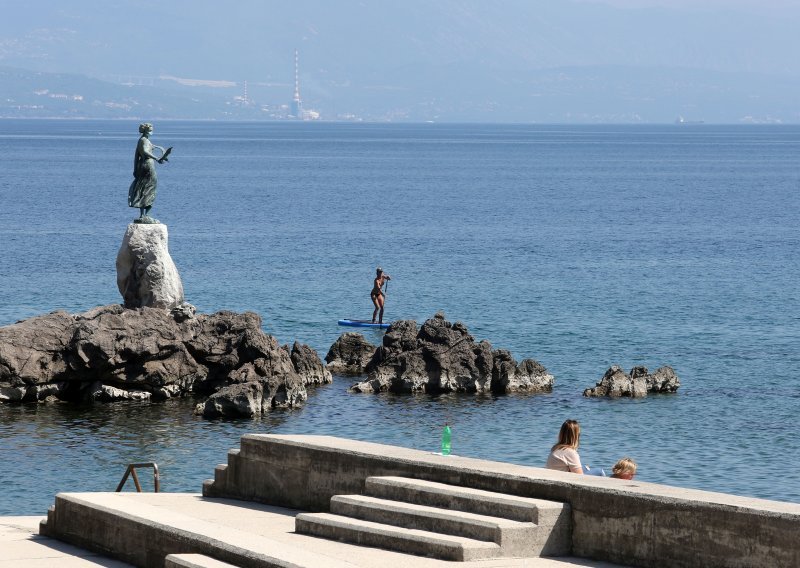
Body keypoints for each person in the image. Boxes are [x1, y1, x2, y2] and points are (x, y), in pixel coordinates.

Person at [128, 122, 171, 223]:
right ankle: (145, 215)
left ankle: (143, 215)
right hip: (148, 165)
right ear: (147, 130)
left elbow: (136, 156)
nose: (152, 131)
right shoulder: (144, 141)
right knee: (150, 187)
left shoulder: (143, 140)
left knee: (145, 187)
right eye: (151, 129)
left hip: (144, 165)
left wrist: (135, 169)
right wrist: (156, 158)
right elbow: (145, 151)